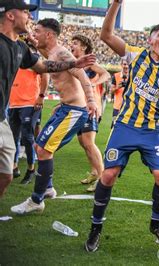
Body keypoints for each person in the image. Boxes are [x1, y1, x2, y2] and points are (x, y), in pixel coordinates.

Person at [83, 0, 159, 253]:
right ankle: (95, 227)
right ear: (151, 40)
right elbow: (106, 35)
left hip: (151, 132)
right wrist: (115, 5)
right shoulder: (136, 54)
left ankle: (155, 225)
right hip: (125, 127)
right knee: (108, 175)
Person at [0, 0, 95, 198]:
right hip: (61, 107)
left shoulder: (47, 51)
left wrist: (91, 99)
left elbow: (57, 69)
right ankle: (45, 190)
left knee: (30, 158)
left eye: (38, 30)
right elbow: (43, 58)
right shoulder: (42, 50)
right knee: (39, 147)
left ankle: (40, 196)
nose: (31, 22)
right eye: (26, 12)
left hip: (72, 110)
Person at [71, 34, 111, 192]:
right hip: (79, 108)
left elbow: (106, 74)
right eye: (71, 43)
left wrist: (93, 82)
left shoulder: (89, 63)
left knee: (88, 142)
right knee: (83, 142)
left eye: (75, 43)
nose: (72, 45)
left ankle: (102, 179)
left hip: (90, 109)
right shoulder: (75, 64)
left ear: (84, 47)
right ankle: (94, 172)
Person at [9, 58, 49, 184]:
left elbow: (46, 73)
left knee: (27, 137)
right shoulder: (12, 56)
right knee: (13, 138)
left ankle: (31, 169)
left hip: (30, 103)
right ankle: (14, 167)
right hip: (13, 104)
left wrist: (41, 96)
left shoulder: (33, 58)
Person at [110, 59, 128, 127]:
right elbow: (111, 90)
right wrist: (118, 87)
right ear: (121, 65)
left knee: (126, 129)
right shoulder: (116, 76)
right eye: (124, 64)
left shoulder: (133, 76)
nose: (126, 66)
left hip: (128, 108)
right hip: (117, 107)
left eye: (127, 64)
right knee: (114, 127)